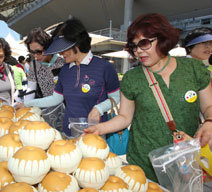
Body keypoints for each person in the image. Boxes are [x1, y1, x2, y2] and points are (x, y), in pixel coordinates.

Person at [84, 13, 212, 182]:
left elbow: (208, 106)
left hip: (184, 163)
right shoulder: (132, 78)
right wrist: (100, 129)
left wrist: (209, 122)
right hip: (143, 164)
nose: (138, 51)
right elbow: (124, 117)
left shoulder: (193, 69)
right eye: (133, 46)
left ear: (162, 38)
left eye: (143, 43)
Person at [22, 18, 120, 136]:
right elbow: (56, 99)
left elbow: (115, 96)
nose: (60, 53)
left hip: (95, 134)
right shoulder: (65, 70)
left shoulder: (104, 67)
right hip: (68, 132)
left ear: (76, 43)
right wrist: (28, 103)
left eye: (63, 49)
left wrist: (99, 109)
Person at [23, 27, 65, 101]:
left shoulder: (63, 62)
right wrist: (26, 103)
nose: (35, 56)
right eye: (32, 52)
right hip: (45, 108)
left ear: (48, 47)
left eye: (38, 51)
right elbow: (30, 88)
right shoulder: (34, 65)